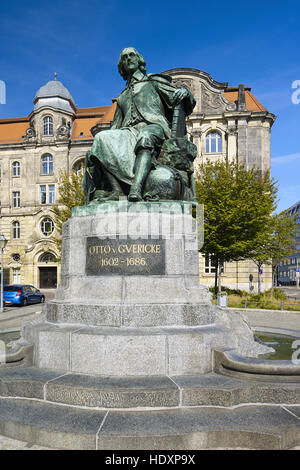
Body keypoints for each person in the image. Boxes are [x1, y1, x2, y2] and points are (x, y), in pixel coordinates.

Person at [84, 47, 196, 202]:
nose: (128, 59)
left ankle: (136, 189)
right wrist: (101, 149)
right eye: (124, 57)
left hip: (153, 126)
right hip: (128, 131)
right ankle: (116, 190)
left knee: (145, 137)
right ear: (121, 65)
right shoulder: (122, 97)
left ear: (139, 60)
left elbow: (178, 98)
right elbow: (116, 125)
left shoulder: (153, 82)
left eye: (132, 55)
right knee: (101, 139)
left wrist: (186, 94)